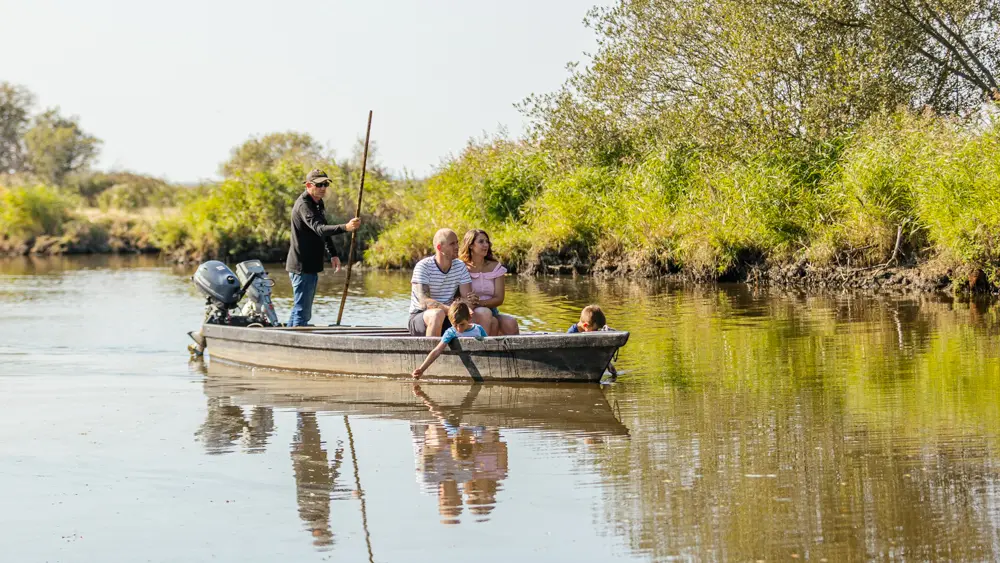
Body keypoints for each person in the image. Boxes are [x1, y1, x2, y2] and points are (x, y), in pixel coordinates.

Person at [285, 168, 361, 327]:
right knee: (302, 311)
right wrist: (345, 227)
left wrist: (333, 254)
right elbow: (319, 228)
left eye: (325, 184)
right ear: (308, 185)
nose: (323, 188)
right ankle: (297, 341)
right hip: (301, 266)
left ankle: (290, 335)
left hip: (311, 265)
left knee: (301, 308)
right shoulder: (304, 205)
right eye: (319, 185)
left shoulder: (318, 203)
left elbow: (322, 231)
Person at [409, 228, 477, 337]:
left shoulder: (460, 266)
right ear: (439, 247)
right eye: (452, 244)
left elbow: (467, 299)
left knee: (478, 314)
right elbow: (423, 302)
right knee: (437, 314)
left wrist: (467, 305)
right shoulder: (423, 266)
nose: (457, 247)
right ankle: (431, 352)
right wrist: (451, 310)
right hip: (421, 317)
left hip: (450, 316)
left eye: (457, 243)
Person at [459, 229, 520, 336]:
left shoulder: (495, 267)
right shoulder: (460, 267)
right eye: (481, 242)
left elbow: (499, 299)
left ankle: (515, 352)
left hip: (491, 311)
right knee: (488, 318)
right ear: (471, 245)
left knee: (511, 323)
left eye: (487, 242)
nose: (486, 245)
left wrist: (480, 303)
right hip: (469, 312)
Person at [412, 302, 487, 378]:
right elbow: (437, 350)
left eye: (462, 324)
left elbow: (488, 344)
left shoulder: (478, 329)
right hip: (460, 367)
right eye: (455, 325)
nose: (458, 329)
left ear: (469, 318)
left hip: (480, 363)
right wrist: (421, 369)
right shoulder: (451, 332)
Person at [567, 304, 618, 376]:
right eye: (595, 329)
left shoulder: (590, 333)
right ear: (585, 326)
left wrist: (608, 363)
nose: (596, 332)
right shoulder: (571, 334)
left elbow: (596, 350)